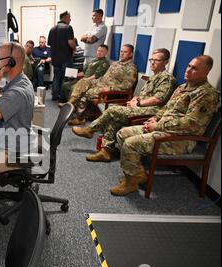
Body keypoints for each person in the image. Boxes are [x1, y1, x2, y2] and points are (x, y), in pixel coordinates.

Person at [110, 55, 220, 196]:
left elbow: (190, 124)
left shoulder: (207, 94)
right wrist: (154, 119)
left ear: (206, 72)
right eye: (189, 66)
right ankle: (138, 174)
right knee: (122, 133)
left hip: (182, 139)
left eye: (194, 68)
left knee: (131, 143)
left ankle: (131, 182)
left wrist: (158, 126)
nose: (188, 70)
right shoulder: (182, 87)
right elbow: (166, 109)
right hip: (165, 130)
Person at [72, 48, 176, 162]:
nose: (153, 62)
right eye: (152, 59)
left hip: (153, 110)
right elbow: (145, 95)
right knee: (114, 118)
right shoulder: (153, 77)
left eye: (157, 60)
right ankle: (105, 151)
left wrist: (138, 103)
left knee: (113, 111)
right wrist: (135, 99)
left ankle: (90, 130)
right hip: (141, 107)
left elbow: (158, 99)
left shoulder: (166, 77)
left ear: (165, 62)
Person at [0, 42, 36, 176]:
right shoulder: (20, 80)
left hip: (13, 152)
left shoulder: (17, 92)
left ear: (11, 62)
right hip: (15, 141)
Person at [67, 44, 138, 126]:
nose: (122, 53)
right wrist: (94, 82)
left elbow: (127, 86)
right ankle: (70, 102)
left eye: (125, 52)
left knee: (86, 93)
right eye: (121, 51)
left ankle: (80, 117)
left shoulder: (131, 68)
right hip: (100, 84)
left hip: (110, 92)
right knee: (83, 81)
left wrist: (110, 88)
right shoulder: (115, 63)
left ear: (131, 54)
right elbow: (104, 77)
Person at [48, 11, 76, 101]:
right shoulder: (68, 28)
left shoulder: (52, 29)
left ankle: (54, 96)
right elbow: (70, 42)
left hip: (55, 58)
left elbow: (50, 44)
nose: (70, 19)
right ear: (65, 17)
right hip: (66, 58)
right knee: (65, 78)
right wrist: (74, 49)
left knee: (56, 77)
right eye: (70, 17)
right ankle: (63, 97)